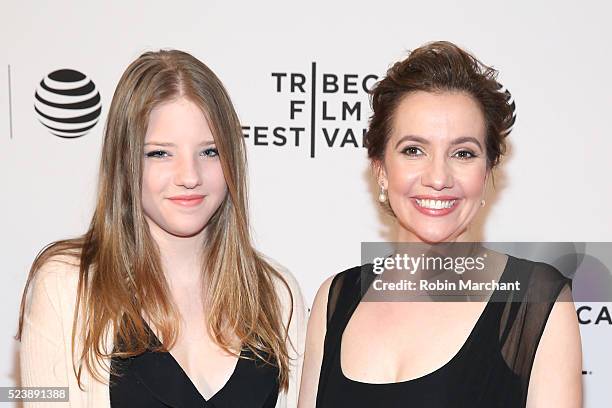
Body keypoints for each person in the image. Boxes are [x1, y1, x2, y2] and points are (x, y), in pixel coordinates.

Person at [298, 41, 582, 407]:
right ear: (380, 169)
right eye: (414, 150)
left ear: (487, 171)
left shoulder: (535, 302)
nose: (438, 177)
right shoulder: (335, 299)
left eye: (463, 153)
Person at [17, 49, 306, 408]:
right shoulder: (65, 286)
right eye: (160, 153)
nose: (189, 176)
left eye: (210, 152)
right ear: (124, 161)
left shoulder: (277, 295)